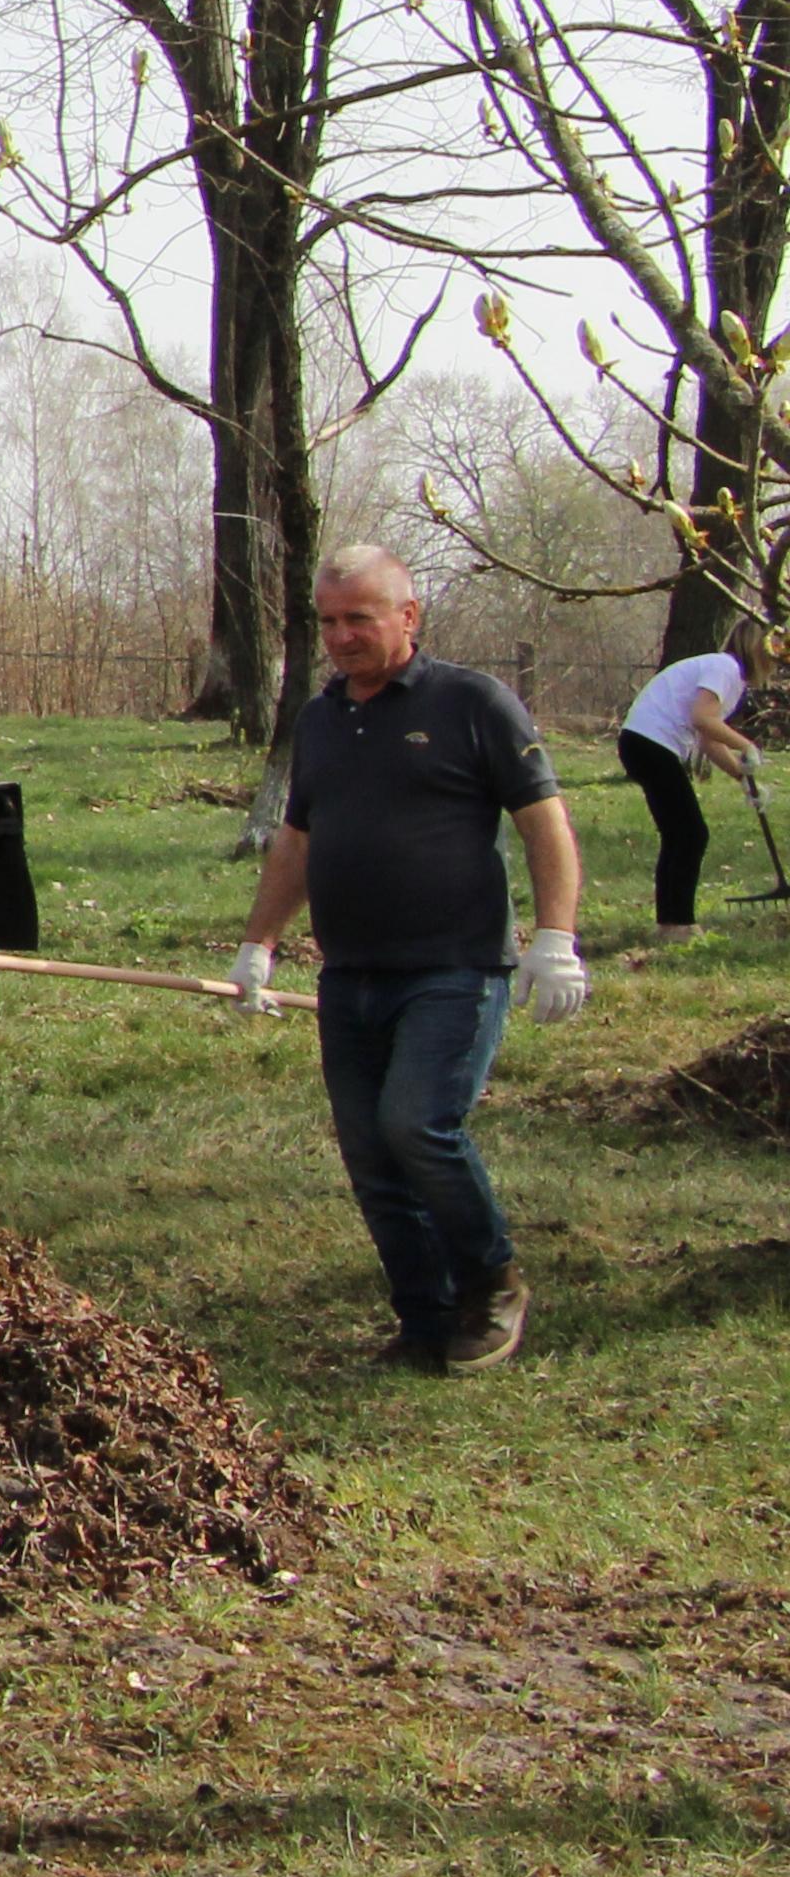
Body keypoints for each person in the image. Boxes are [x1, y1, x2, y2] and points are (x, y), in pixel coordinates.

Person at [234, 544, 588, 1372]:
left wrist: (555, 939)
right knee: (370, 1153)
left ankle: (492, 1282)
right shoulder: (321, 719)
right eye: (328, 622)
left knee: (418, 1126)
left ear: (408, 616)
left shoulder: (472, 704)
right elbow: (297, 839)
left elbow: (545, 822)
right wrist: (260, 942)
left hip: (453, 968)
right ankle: (425, 1318)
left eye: (360, 617)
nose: (343, 637)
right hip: (351, 973)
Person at [615, 637, 761, 937]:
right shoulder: (725, 667)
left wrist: (742, 778)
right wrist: (746, 745)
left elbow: (708, 738)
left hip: (642, 742)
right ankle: (680, 924)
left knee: (680, 834)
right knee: (691, 833)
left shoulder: (726, 674)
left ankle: (670, 923)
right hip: (651, 742)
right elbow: (703, 719)